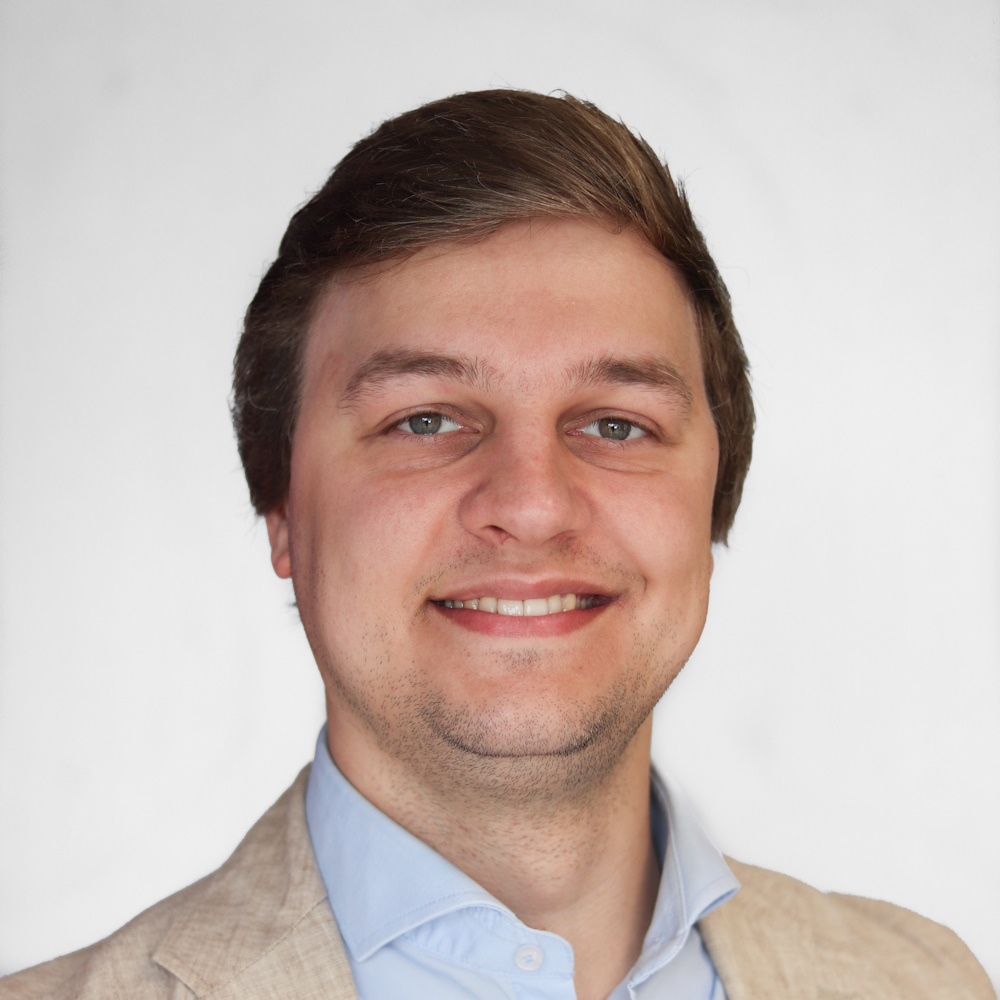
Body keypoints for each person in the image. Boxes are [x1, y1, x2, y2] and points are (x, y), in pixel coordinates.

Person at [1, 89, 991, 1000]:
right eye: (425, 419)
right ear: (284, 514)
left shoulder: (931, 982)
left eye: (615, 424)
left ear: (711, 503)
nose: (532, 505)